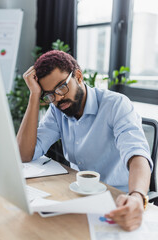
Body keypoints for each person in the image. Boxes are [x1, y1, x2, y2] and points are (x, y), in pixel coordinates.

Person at [17, 50, 152, 231]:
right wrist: (34, 96)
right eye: (49, 95)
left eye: (61, 87)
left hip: (117, 198)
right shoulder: (57, 110)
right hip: (81, 197)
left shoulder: (116, 105)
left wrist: (137, 197)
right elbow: (24, 154)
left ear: (78, 76)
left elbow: (137, 153)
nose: (58, 98)